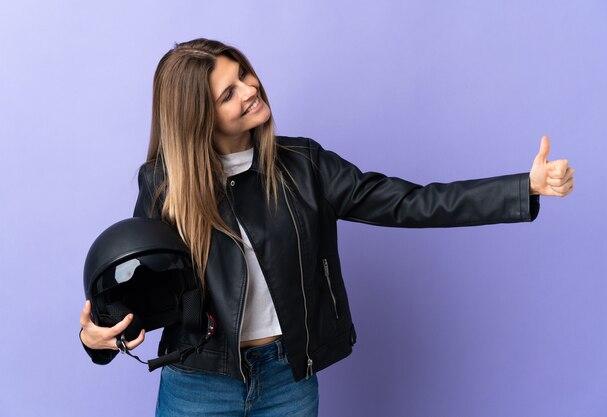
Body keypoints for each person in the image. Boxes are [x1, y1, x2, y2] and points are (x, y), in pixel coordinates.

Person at [79, 38, 574, 417]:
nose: (251, 89)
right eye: (229, 93)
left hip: (287, 378)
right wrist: (95, 339)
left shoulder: (304, 165)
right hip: (197, 381)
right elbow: (138, 293)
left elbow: (411, 203)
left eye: (245, 74)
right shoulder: (164, 185)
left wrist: (523, 188)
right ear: (198, 119)